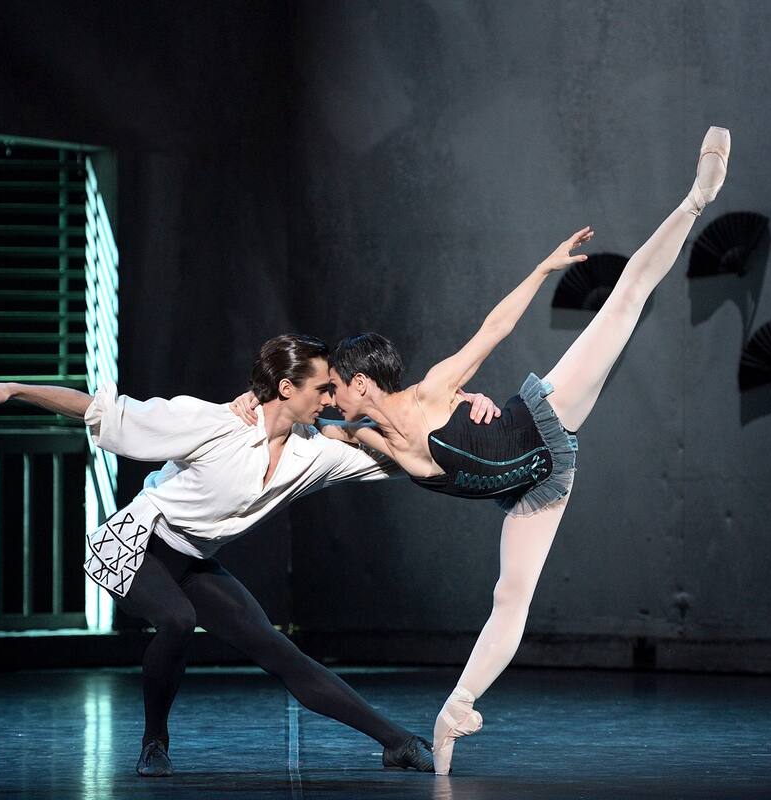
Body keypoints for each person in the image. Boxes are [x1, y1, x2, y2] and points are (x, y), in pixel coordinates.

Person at [310, 127, 731, 773]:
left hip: (543, 424)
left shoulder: (429, 394)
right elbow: (306, 430)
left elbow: (495, 328)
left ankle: (696, 199)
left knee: (622, 304)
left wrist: (540, 268)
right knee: (512, 598)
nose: (332, 398)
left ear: (362, 380)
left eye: (335, 387)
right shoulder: (369, 442)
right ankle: (458, 706)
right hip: (535, 489)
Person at [0, 334, 499, 778]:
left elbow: (410, 455)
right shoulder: (215, 423)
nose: (332, 399)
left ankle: (396, 742)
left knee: (278, 650)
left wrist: (460, 410)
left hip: (192, 559)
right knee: (177, 619)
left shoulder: (315, 452)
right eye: (323, 390)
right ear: (287, 387)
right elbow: (104, 411)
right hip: (138, 542)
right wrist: (16, 389)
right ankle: (154, 742)